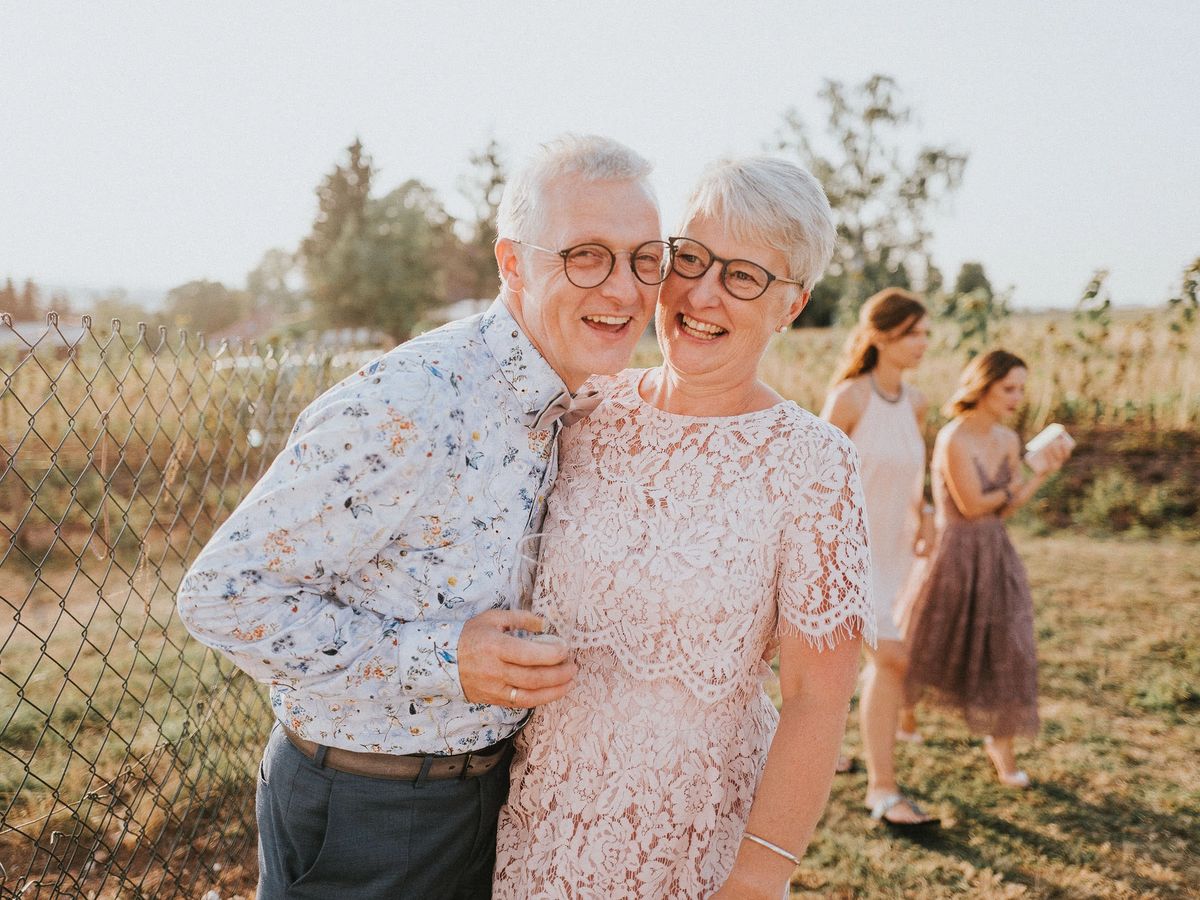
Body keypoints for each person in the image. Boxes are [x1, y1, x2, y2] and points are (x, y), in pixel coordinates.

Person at [176, 134, 666, 899]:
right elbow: (224, 597)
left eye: (645, 258)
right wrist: (445, 660)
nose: (625, 288)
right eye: (587, 256)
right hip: (371, 812)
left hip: (490, 795)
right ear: (513, 263)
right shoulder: (416, 400)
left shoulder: (570, 401)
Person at [492, 157, 874, 900]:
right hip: (530, 831)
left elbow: (817, 697)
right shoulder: (582, 411)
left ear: (791, 305)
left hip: (696, 851)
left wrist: (760, 875)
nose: (700, 294)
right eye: (690, 259)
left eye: (743, 276)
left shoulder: (813, 463)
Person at [900, 350, 1072, 788]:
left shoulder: (1010, 440)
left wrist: (1040, 474)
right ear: (983, 386)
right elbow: (973, 505)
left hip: (995, 552)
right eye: (1008, 388)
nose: (1017, 397)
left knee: (1006, 647)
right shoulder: (953, 438)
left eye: (1021, 388)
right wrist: (1018, 479)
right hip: (954, 551)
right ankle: (904, 716)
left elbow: (1004, 510)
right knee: (930, 639)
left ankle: (1002, 749)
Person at [821, 288, 939, 829]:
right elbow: (817, 479)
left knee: (867, 664)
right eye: (913, 332)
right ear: (882, 336)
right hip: (852, 555)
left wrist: (929, 515)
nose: (922, 343)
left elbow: (918, 470)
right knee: (889, 661)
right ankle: (883, 790)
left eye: (924, 333)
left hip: (900, 553)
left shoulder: (915, 402)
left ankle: (838, 751)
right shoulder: (849, 398)